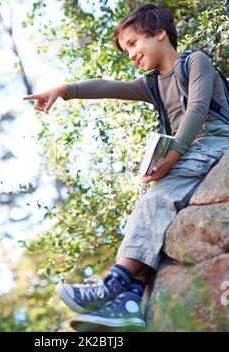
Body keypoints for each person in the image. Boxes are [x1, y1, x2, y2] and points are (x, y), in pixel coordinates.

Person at [23, 4, 229, 329]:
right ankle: (131, 298)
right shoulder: (152, 85)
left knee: (158, 196)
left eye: (133, 43)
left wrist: (172, 155)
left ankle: (114, 283)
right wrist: (64, 91)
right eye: (126, 50)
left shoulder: (195, 62)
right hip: (189, 152)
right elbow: (108, 86)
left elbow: (198, 110)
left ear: (160, 33)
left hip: (214, 141)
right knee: (153, 205)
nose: (130, 54)